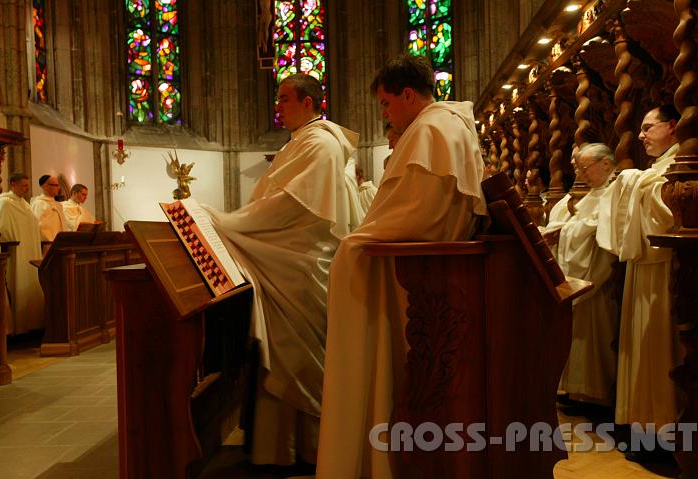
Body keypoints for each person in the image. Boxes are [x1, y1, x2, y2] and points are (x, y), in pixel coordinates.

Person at [317, 54, 488, 478]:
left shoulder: (431, 129)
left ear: (408, 95)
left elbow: (420, 213)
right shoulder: (449, 125)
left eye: (386, 103)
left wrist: (362, 239)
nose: (385, 114)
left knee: (349, 257)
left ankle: (365, 444)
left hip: (421, 274)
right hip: (432, 268)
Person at [203, 73, 361, 466]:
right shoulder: (300, 143)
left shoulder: (320, 144)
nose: (278, 106)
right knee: (283, 356)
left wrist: (227, 223)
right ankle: (280, 449)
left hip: (300, 266)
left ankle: (310, 450)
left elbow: (288, 208)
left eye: (285, 98)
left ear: (308, 102)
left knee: (300, 360)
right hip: (287, 263)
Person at [596, 105, 682, 462]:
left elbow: (668, 215)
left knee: (659, 350)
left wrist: (634, 183)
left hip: (664, 269)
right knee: (641, 351)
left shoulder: (687, 160)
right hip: (643, 266)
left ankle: (666, 433)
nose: (641, 135)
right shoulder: (659, 167)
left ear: (672, 126)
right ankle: (643, 427)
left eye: (648, 127)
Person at [555, 143, 619, 407]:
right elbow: (579, 226)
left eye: (585, 168)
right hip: (585, 272)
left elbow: (604, 229)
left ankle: (597, 394)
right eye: (579, 169)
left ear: (606, 163)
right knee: (580, 333)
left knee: (597, 333)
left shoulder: (615, 189)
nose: (581, 174)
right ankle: (578, 392)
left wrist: (570, 231)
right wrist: (566, 230)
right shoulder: (594, 193)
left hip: (600, 276)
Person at [0, 173, 44, 334]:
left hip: (30, 250)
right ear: (13, 185)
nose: (27, 189)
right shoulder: (4, 203)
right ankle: (18, 326)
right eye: (24, 185)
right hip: (16, 253)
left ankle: (31, 324)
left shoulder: (25, 204)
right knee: (18, 282)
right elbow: (0, 229)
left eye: (28, 185)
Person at [30, 174, 70, 240]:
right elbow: (39, 226)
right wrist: (49, 240)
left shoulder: (58, 204)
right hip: (48, 243)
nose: (59, 188)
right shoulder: (39, 204)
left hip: (60, 242)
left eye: (58, 185)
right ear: (45, 186)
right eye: (55, 185)